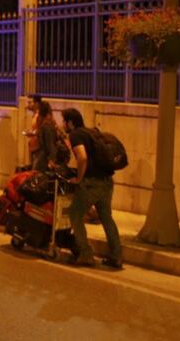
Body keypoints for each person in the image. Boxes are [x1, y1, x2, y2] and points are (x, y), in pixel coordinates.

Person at [62, 107, 122, 269]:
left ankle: (86, 254)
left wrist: (79, 178)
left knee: (75, 214)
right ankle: (116, 256)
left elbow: (82, 157)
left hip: (91, 183)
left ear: (70, 122)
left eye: (64, 121)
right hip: (107, 182)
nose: (63, 125)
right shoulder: (91, 132)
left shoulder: (75, 135)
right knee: (106, 218)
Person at [30, 101, 59, 173]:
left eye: (37, 113)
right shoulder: (46, 125)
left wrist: (51, 161)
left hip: (43, 162)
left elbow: (51, 146)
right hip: (41, 159)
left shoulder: (46, 127)